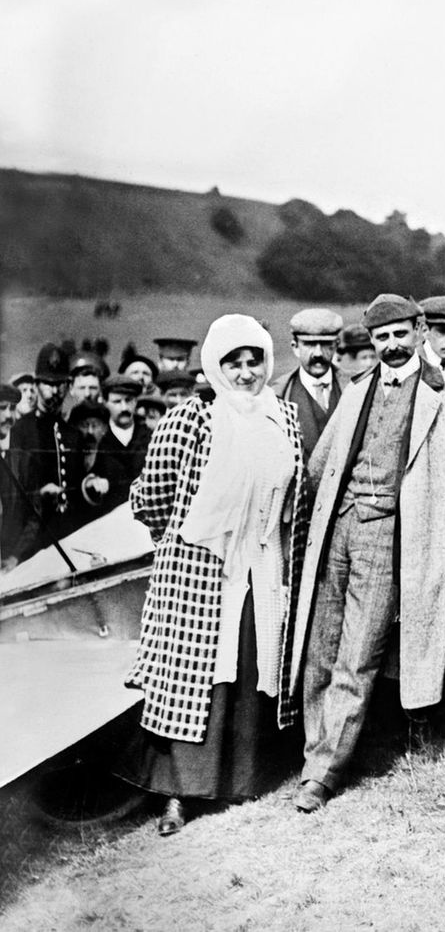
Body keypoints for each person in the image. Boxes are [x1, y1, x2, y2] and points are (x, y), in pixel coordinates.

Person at [293, 294, 445, 812]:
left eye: (400, 334)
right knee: (320, 650)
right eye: (380, 337)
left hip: (388, 538)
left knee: (358, 655)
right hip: (337, 530)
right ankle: (310, 752)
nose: (390, 344)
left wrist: (428, 494)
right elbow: (321, 466)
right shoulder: (358, 389)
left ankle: (323, 773)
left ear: (419, 329)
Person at [118, 314, 308, 836]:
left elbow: (294, 494)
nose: (246, 374)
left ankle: (243, 781)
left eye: (254, 363)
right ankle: (180, 794)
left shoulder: (283, 419)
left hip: (261, 563)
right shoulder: (189, 421)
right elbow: (150, 498)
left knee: (250, 665)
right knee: (194, 674)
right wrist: (181, 543)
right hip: (197, 569)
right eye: (234, 363)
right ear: (214, 366)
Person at [7, 344, 86, 559]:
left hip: (70, 537)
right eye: (48, 384)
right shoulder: (20, 431)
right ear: (36, 384)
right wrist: (39, 495)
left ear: (68, 385)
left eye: (60, 384)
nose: (54, 390)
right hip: (32, 541)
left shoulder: (74, 435)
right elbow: (12, 493)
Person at [271, 308, 348, 461]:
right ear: (295, 347)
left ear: (336, 345)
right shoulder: (277, 395)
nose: (318, 353)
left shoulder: (357, 387)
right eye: (309, 344)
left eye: (326, 344)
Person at [81, 374, 152, 517]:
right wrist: (92, 482)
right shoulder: (99, 441)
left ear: (136, 402)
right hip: (110, 521)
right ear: (105, 402)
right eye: (117, 402)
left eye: (129, 400)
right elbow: (87, 478)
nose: (124, 407)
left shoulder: (151, 437)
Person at [0, 384, 26, 570]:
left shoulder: (22, 457)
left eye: (12, 408)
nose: (8, 415)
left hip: (14, 564)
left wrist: (16, 556)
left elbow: (33, 514)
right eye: (2, 408)